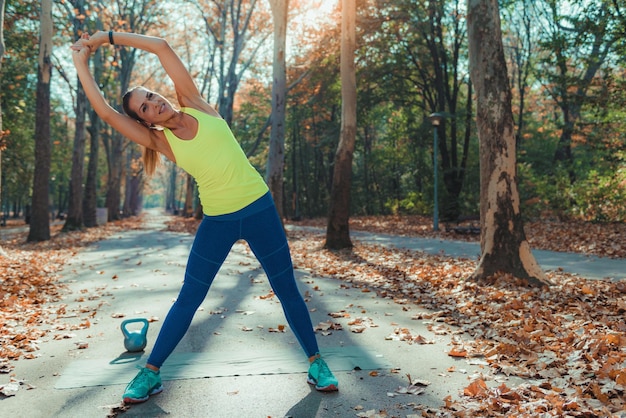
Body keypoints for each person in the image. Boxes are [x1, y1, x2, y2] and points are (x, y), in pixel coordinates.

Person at [71, 31, 338, 404]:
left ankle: (316, 363)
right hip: (218, 220)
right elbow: (104, 112)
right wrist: (82, 63)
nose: (153, 103)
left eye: (150, 95)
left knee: (286, 288)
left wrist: (108, 37)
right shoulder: (161, 142)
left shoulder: (195, 102)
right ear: (146, 123)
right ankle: (150, 373)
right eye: (144, 108)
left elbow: (162, 46)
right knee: (190, 297)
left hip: (259, 208)